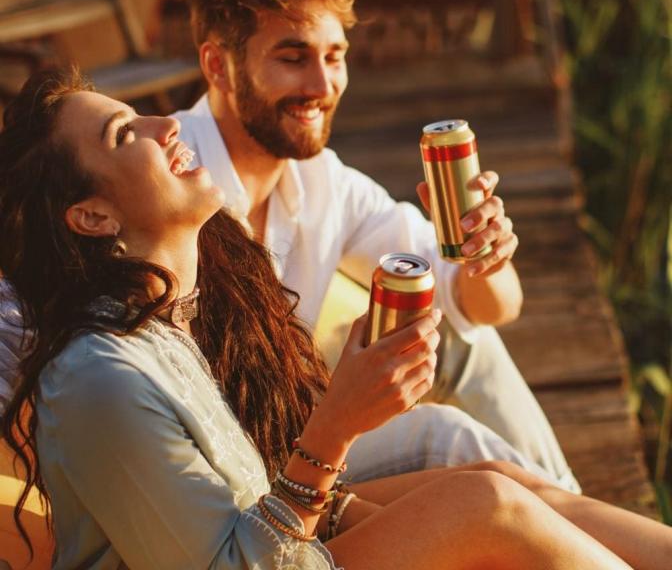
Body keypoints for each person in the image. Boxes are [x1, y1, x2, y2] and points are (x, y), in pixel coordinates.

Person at [2, 68, 672, 570]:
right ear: (93, 218)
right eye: (127, 134)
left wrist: (356, 502)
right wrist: (338, 425)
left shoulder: (168, 319)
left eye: (336, 53)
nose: (164, 124)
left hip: (290, 541)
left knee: (497, 485)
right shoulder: (100, 375)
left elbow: (248, 481)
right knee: (488, 509)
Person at [175, 0, 578, 489]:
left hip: (301, 428)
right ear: (217, 66)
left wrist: (484, 258)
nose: (322, 85)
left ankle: (579, 518)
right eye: (292, 58)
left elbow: (489, 309)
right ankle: (586, 532)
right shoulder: (166, 174)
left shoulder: (323, 182)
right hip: (228, 469)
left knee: (459, 342)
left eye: (334, 57)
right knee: (444, 437)